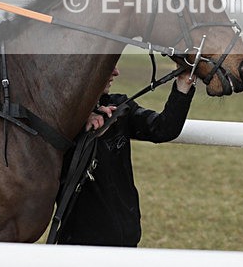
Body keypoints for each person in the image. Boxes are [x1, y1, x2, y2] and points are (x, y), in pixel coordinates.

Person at [56, 66, 196, 247]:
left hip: (127, 240)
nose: (116, 72)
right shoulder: (59, 118)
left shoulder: (121, 106)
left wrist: (183, 84)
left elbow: (163, 129)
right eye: (108, 65)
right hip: (79, 246)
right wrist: (80, 117)